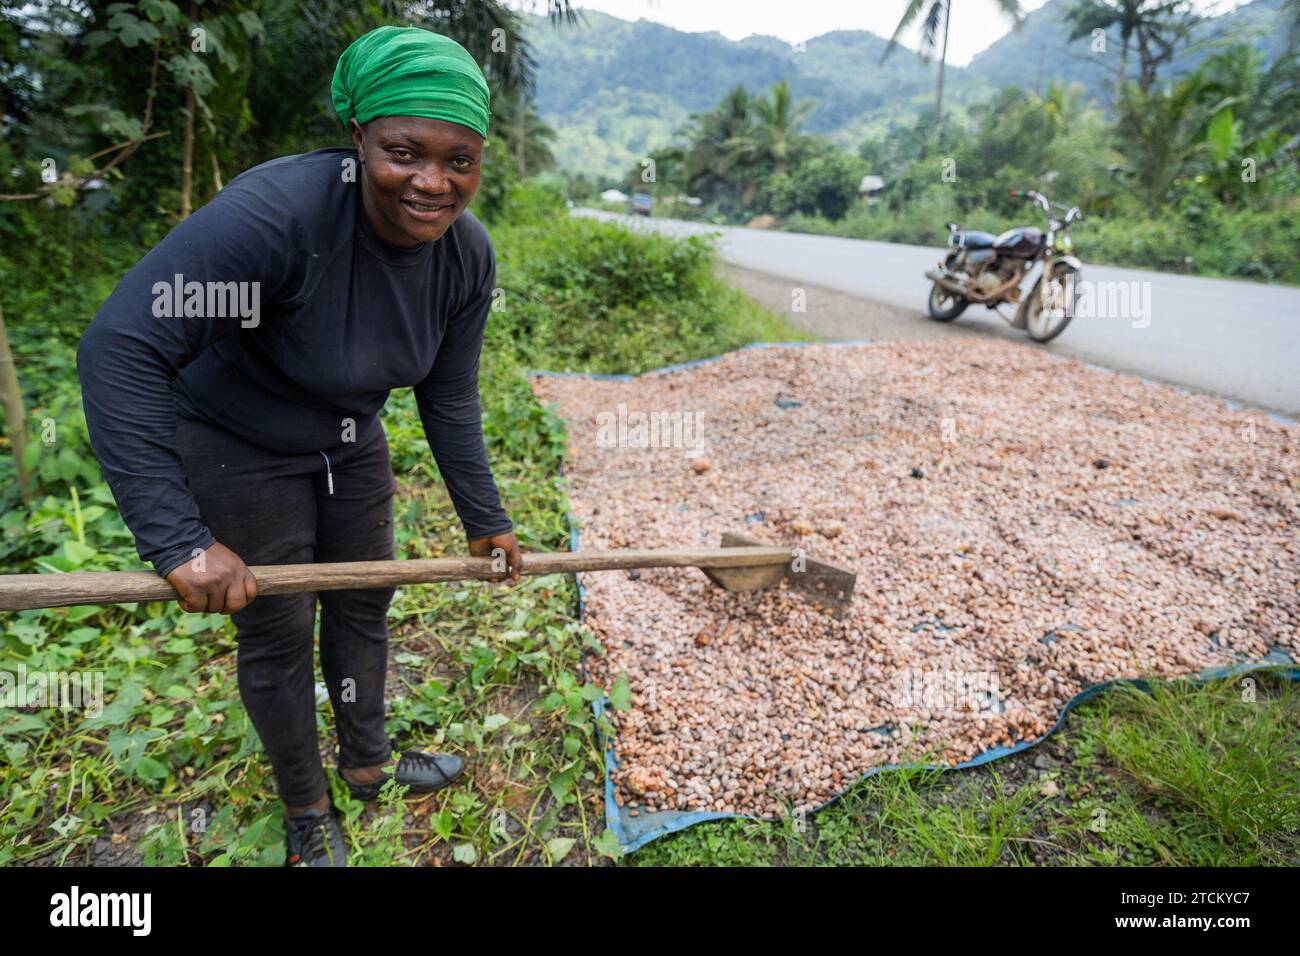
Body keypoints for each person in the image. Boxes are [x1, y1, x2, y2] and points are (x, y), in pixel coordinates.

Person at [76, 25, 523, 867]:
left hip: (349, 440)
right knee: (277, 627)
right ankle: (306, 808)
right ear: (358, 138)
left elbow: (448, 392)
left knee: (364, 600)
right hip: (233, 440)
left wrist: (484, 514)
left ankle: (368, 764)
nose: (433, 183)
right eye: (404, 152)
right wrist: (177, 538)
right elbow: (120, 348)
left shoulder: (464, 256)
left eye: (459, 160)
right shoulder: (275, 218)